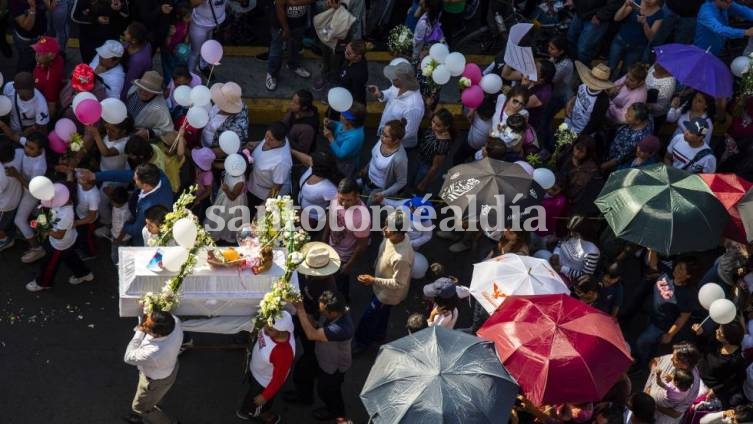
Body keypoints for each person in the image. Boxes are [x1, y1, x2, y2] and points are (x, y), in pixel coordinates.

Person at [353, 211, 415, 353]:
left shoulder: (402, 258)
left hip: (387, 295)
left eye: (390, 229)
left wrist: (373, 280)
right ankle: (378, 336)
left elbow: (399, 283)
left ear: (401, 233)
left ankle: (362, 344)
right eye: (386, 225)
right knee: (380, 317)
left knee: (368, 319)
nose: (385, 230)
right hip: (379, 287)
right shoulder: (390, 238)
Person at [293, 290, 354, 422]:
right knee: (303, 371)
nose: (320, 312)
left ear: (333, 313)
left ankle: (336, 413)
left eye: (322, 311)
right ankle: (304, 397)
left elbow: (312, 335)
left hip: (333, 366)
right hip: (321, 355)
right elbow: (316, 324)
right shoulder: (335, 311)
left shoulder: (342, 328)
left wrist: (300, 309)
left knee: (328, 392)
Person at [25, 184, 95, 292]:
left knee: (49, 264)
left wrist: (44, 229)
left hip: (59, 245)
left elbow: (59, 235)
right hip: (68, 240)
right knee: (70, 257)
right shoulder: (62, 203)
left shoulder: (66, 215)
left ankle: (44, 283)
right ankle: (84, 274)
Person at [635, 256, 702, 366]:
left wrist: (670, 334)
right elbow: (653, 265)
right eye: (678, 266)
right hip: (651, 314)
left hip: (660, 325)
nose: (676, 269)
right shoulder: (669, 272)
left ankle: (641, 363)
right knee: (649, 343)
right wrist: (652, 250)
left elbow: (682, 318)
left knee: (641, 342)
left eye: (681, 269)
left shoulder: (688, 295)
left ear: (688, 275)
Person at [123, 310, 183, 424]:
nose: (144, 323)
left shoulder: (153, 352)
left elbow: (128, 357)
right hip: (170, 370)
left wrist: (139, 331)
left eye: (146, 326)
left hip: (155, 381)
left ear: (157, 334)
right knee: (156, 397)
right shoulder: (175, 321)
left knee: (140, 407)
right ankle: (154, 402)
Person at [237, 311, 295, 424]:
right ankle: (249, 410)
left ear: (283, 330)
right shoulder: (272, 329)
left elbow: (278, 379)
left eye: (270, 328)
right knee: (251, 394)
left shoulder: (283, 353)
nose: (265, 328)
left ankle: (253, 413)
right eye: (266, 323)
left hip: (264, 383)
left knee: (256, 402)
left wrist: (264, 396)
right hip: (256, 372)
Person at [322, 178, 370, 302]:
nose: (344, 203)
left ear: (357, 196)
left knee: (340, 285)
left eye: (348, 200)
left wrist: (349, 265)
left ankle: (343, 304)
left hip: (344, 257)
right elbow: (330, 217)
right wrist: (323, 241)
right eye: (341, 199)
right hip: (331, 247)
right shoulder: (336, 197)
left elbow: (362, 245)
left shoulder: (362, 217)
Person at [7, 133, 47, 263]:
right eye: (26, 146)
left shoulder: (39, 166)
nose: (27, 150)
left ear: (40, 150)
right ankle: (38, 229)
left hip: (32, 193)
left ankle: (37, 248)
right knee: (34, 213)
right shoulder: (31, 145)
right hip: (25, 188)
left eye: (31, 148)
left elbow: (33, 188)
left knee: (19, 220)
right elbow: (14, 137)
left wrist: (16, 175)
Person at [370, 61, 425, 149]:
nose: (391, 79)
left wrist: (388, 139)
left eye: (394, 78)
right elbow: (389, 93)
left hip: (398, 145)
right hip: (386, 136)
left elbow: (409, 132)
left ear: (401, 80)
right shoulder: (396, 86)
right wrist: (379, 94)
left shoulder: (414, 105)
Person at [644, 343, 702, 424]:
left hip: (660, 418)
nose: (671, 359)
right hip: (645, 405)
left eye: (674, 359)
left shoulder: (692, 386)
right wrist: (654, 370)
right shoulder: (676, 356)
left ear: (685, 364)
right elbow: (654, 360)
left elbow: (675, 414)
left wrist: (652, 404)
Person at [695, 323, 747, 408]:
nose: (716, 331)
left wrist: (716, 390)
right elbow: (704, 346)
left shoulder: (736, 361)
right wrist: (701, 334)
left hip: (704, 386)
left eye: (720, 332)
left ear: (728, 339)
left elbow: (735, 380)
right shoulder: (717, 341)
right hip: (696, 372)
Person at [608, 0, 663, 79]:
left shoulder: (659, 14)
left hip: (637, 49)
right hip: (620, 41)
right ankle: (603, 89)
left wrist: (645, 24)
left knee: (625, 73)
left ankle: (617, 90)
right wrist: (624, 6)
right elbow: (617, 18)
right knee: (610, 68)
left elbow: (651, 38)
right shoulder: (636, 2)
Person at [265, 0, 312, 91]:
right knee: (277, 50)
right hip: (280, 25)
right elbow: (279, 5)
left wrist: (294, 2)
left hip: (299, 22)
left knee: (295, 45)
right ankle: (272, 74)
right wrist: (285, 28)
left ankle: (293, 65)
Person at [245, 122, 293, 209]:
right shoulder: (275, 137)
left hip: (262, 195)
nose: (266, 140)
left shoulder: (282, 162)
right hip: (253, 184)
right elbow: (266, 140)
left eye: (271, 139)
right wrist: (257, 143)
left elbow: (277, 187)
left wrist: (265, 204)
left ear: (280, 141)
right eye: (266, 136)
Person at [289, 150, 339, 231]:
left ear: (317, 166)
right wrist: (291, 150)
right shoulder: (313, 169)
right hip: (299, 210)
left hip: (312, 219)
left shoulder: (329, 188)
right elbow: (306, 159)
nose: (310, 160)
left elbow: (332, 211)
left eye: (312, 160)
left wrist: (324, 236)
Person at [362, 119, 409, 203]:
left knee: (369, 208)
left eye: (386, 136)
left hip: (378, 189)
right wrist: (366, 168)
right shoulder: (383, 141)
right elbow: (374, 157)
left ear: (396, 140)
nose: (381, 137)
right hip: (367, 179)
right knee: (362, 201)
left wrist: (383, 194)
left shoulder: (400, 159)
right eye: (382, 132)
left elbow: (402, 182)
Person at [71, 0, 129, 65]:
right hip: (89, 40)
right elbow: (74, 17)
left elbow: (125, 14)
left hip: (110, 39)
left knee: (109, 66)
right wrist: (95, 20)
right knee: (90, 64)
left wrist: (120, 8)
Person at [549, 215, 600, 285]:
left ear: (584, 232)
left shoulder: (592, 252)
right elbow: (560, 243)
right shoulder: (571, 235)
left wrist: (562, 269)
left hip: (567, 277)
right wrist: (556, 253)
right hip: (554, 265)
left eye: (575, 233)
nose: (571, 234)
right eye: (570, 231)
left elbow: (585, 275)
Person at [565, 62, 613, 136]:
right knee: (559, 142)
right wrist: (570, 102)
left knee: (568, 146)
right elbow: (577, 94)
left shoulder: (603, 100)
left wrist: (582, 136)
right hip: (569, 120)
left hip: (581, 131)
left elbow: (595, 122)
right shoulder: (583, 83)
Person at [603, 102, 653, 171]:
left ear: (638, 121)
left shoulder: (636, 138)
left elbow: (619, 158)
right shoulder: (647, 118)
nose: (625, 115)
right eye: (627, 112)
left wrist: (603, 167)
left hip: (615, 162)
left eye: (629, 116)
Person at [567, 0, 619, 65]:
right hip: (580, 12)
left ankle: (582, 68)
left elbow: (614, 4)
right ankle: (572, 64)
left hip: (596, 19)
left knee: (583, 49)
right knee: (571, 38)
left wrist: (600, 16)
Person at [125, 71, 175, 139]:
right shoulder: (134, 89)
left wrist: (150, 133)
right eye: (141, 88)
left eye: (148, 91)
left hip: (136, 136)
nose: (143, 92)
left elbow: (168, 130)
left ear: (155, 93)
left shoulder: (160, 109)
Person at [203, 82, 249, 153]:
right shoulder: (227, 102)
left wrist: (205, 153)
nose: (217, 101)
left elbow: (225, 149)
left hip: (211, 149)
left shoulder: (237, 128)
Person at [325, 103, 366, 180]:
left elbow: (341, 154)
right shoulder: (346, 124)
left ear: (350, 121)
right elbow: (339, 125)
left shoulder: (355, 136)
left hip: (345, 165)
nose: (340, 116)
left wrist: (330, 138)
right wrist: (332, 122)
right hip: (336, 159)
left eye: (343, 116)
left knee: (340, 179)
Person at [188, 0, 227, 75]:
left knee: (208, 47)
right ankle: (190, 73)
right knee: (195, 52)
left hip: (216, 24)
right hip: (199, 25)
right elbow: (192, 3)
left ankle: (203, 66)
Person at [9, 0, 47, 73]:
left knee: (35, 60)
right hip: (27, 40)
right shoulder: (15, 2)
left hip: (40, 35)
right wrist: (32, 8)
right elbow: (27, 27)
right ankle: (23, 81)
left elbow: (48, 8)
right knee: (25, 62)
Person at [31, 36, 64, 117]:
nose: (36, 55)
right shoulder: (47, 60)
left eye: (40, 52)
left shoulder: (50, 79)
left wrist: (46, 123)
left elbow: (51, 104)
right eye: (37, 51)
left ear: (51, 55)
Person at [121, 21, 154, 101]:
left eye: (127, 32)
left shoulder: (137, 60)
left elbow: (129, 83)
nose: (124, 32)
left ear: (134, 40)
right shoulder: (145, 44)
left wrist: (121, 98)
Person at [0, 142, 22, 252]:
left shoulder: (2, 174)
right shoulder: (19, 152)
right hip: (15, 197)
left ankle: (5, 240)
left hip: (6, 205)